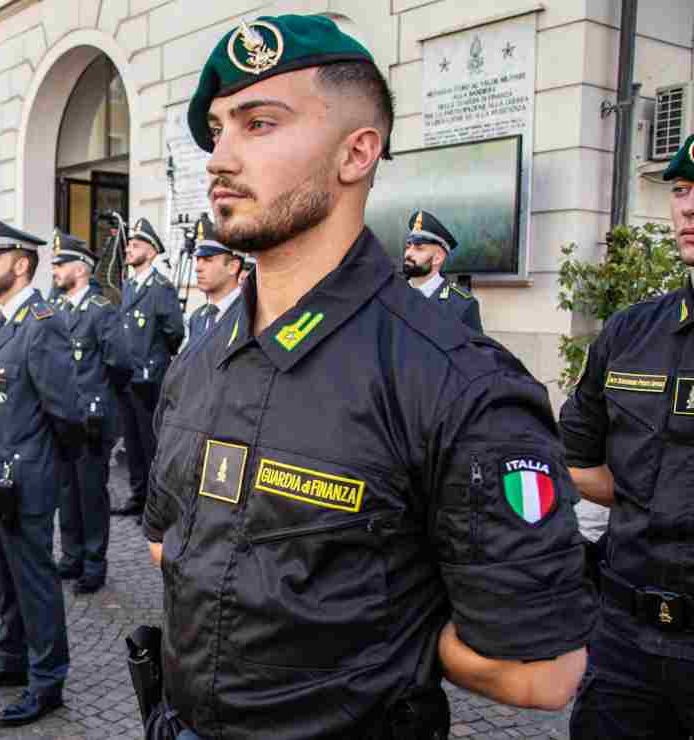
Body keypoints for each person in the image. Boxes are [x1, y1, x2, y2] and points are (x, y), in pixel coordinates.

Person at [142, 15, 594, 739]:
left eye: (259, 124)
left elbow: (538, 672)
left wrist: (376, 650)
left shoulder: (454, 381)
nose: (220, 157)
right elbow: (169, 545)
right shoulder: (204, 352)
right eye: (219, 130)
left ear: (357, 153)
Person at [559, 133, 694, 739]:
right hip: (626, 644)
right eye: (683, 190)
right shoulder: (632, 332)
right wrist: (651, 498)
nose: (688, 206)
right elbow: (575, 458)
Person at [0, 212, 81, 726]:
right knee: (6, 575)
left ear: (20, 264)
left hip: (26, 477)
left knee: (35, 580)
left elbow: (66, 412)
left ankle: (47, 679)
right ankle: (11, 657)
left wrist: (45, 466)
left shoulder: (43, 325)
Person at [50, 230, 117, 595]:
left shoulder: (100, 311)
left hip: (92, 419)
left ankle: (94, 563)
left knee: (91, 493)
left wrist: (102, 405)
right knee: (66, 492)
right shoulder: (56, 309)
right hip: (64, 418)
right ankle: (71, 556)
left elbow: (119, 363)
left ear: (81, 268)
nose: (55, 270)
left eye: (61, 264)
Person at [109, 217, 184, 517]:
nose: (129, 249)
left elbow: (174, 331)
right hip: (128, 378)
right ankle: (138, 496)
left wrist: (154, 361)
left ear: (152, 252)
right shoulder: (128, 286)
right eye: (129, 244)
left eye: (136, 245)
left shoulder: (160, 287)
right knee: (133, 444)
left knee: (152, 444)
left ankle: (155, 505)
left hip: (150, 379)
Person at [402, 210, 483, 332]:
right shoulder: (391, 293)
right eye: (408, 246)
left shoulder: (462, 305)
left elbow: (473, 351)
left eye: (419, 248)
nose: (409, 253)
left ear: (437, 258)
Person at [185, 214, 244, 345]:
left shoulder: (249, 314)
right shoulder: (197, 317)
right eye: (197, 260)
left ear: (233, 267)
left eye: (208, 260)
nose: (198, 268)